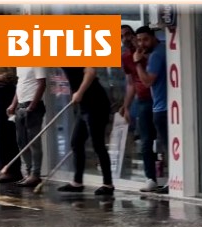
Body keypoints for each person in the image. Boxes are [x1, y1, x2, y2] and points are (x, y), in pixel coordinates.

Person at [58, 67, 114, 196]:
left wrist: (80, 92)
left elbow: (91, 72)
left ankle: (108, 184)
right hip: (84, 105)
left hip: (96, 103)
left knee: (98, 144)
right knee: (76, 142)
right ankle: (77, 182)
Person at [134, 26, 169, 193]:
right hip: (161, 105)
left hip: (161, 107)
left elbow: (147, 82)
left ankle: (170, 179)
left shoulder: (156, 55)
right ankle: (166, 179)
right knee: (163, 144)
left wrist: (137, 63)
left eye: (145, 39)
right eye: (139, 40)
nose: (142, 43)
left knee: (164, 144)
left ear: (154, 37)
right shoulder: (163, 50)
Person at [118, 24, 153, 187]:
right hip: (142, 99)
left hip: (156, 97)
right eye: (121, 37)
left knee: (161, 136)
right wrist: (126, 106)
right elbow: (130, 83)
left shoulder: (148, 53)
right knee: (145, 139)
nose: (125, 39)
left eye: (127, 35)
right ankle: (150, 177)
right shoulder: (126, 58)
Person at [7, 65, 48, 188]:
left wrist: (32, 106)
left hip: (32, 106)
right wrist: (13, 104)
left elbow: (42, 84)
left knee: (33, 142)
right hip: (21, 106)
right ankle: (29, 172)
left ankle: (35, 174)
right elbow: (20, 84)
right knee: (22, 142)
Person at [0, 67, 21, 184]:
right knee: (1, 139)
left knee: (8, 138)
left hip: (5, 99)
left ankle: (12, 170)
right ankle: (4, 169)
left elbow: (10, 78)